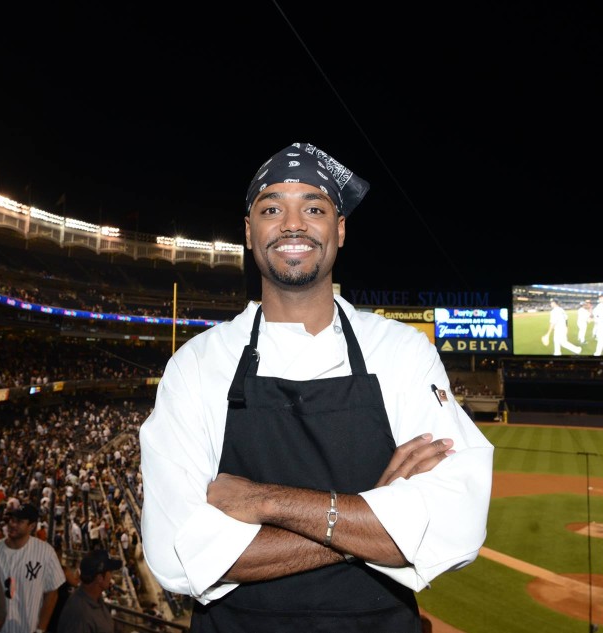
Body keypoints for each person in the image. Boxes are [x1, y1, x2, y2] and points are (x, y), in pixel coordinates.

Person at [139, 142, 494, 632]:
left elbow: (455, 524)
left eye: (313, 207)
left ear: (340, 229)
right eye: (271, 208)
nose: (292, 224)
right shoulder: (196, 366)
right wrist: (370, 512)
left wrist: (269, 503)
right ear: (248, 232)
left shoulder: (401, 351)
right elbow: (176, 556)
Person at [0, 503, 65, 633]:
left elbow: (52, 593)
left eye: (19, 521)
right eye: (12, 520)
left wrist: (41, 629)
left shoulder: (46, 552)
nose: (12, 524)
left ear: (32, 526)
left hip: (26, 628)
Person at [55, 550, 122, 633]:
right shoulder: (80, 615)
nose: (111, 576)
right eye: (110, 572)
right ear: (100, 578)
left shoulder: (95, 599)